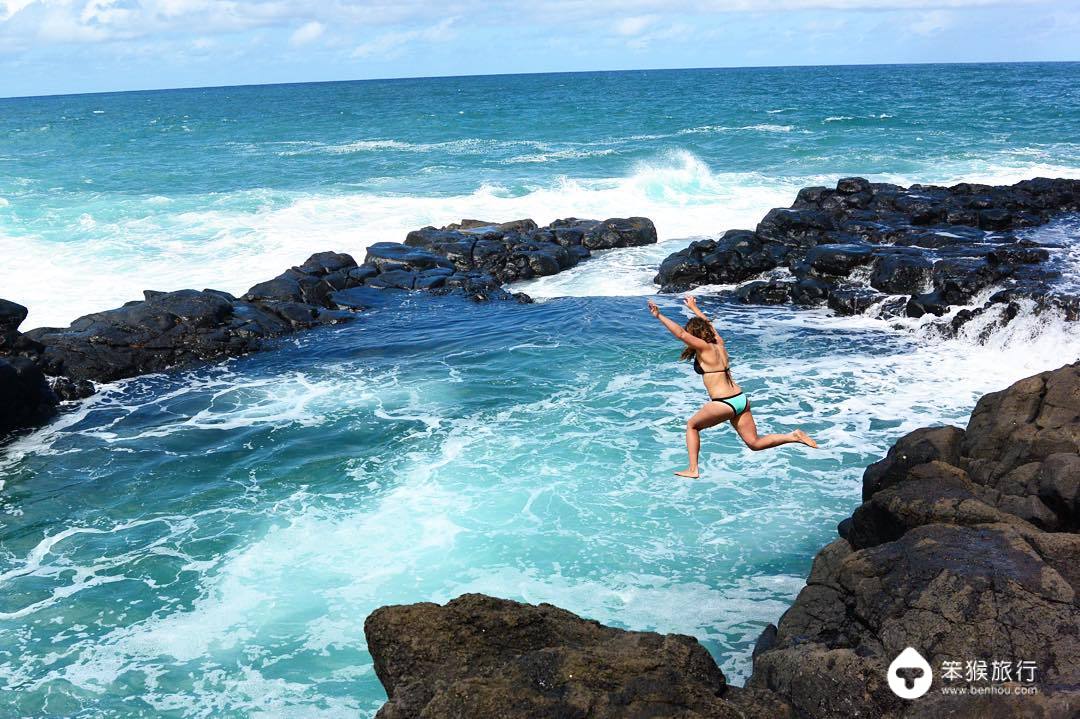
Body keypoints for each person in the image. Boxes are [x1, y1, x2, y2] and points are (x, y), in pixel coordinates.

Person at [647, 295, 817, 478]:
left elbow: (680, 333)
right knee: (754, 443)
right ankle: (793, 436)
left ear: (694, 334)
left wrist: (659, 316)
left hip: (723, 402)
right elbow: (710, 326)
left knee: (692, 426)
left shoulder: (704, 348)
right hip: (740, 400)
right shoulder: (719, 344)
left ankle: (693, 469)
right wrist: (694, 308)